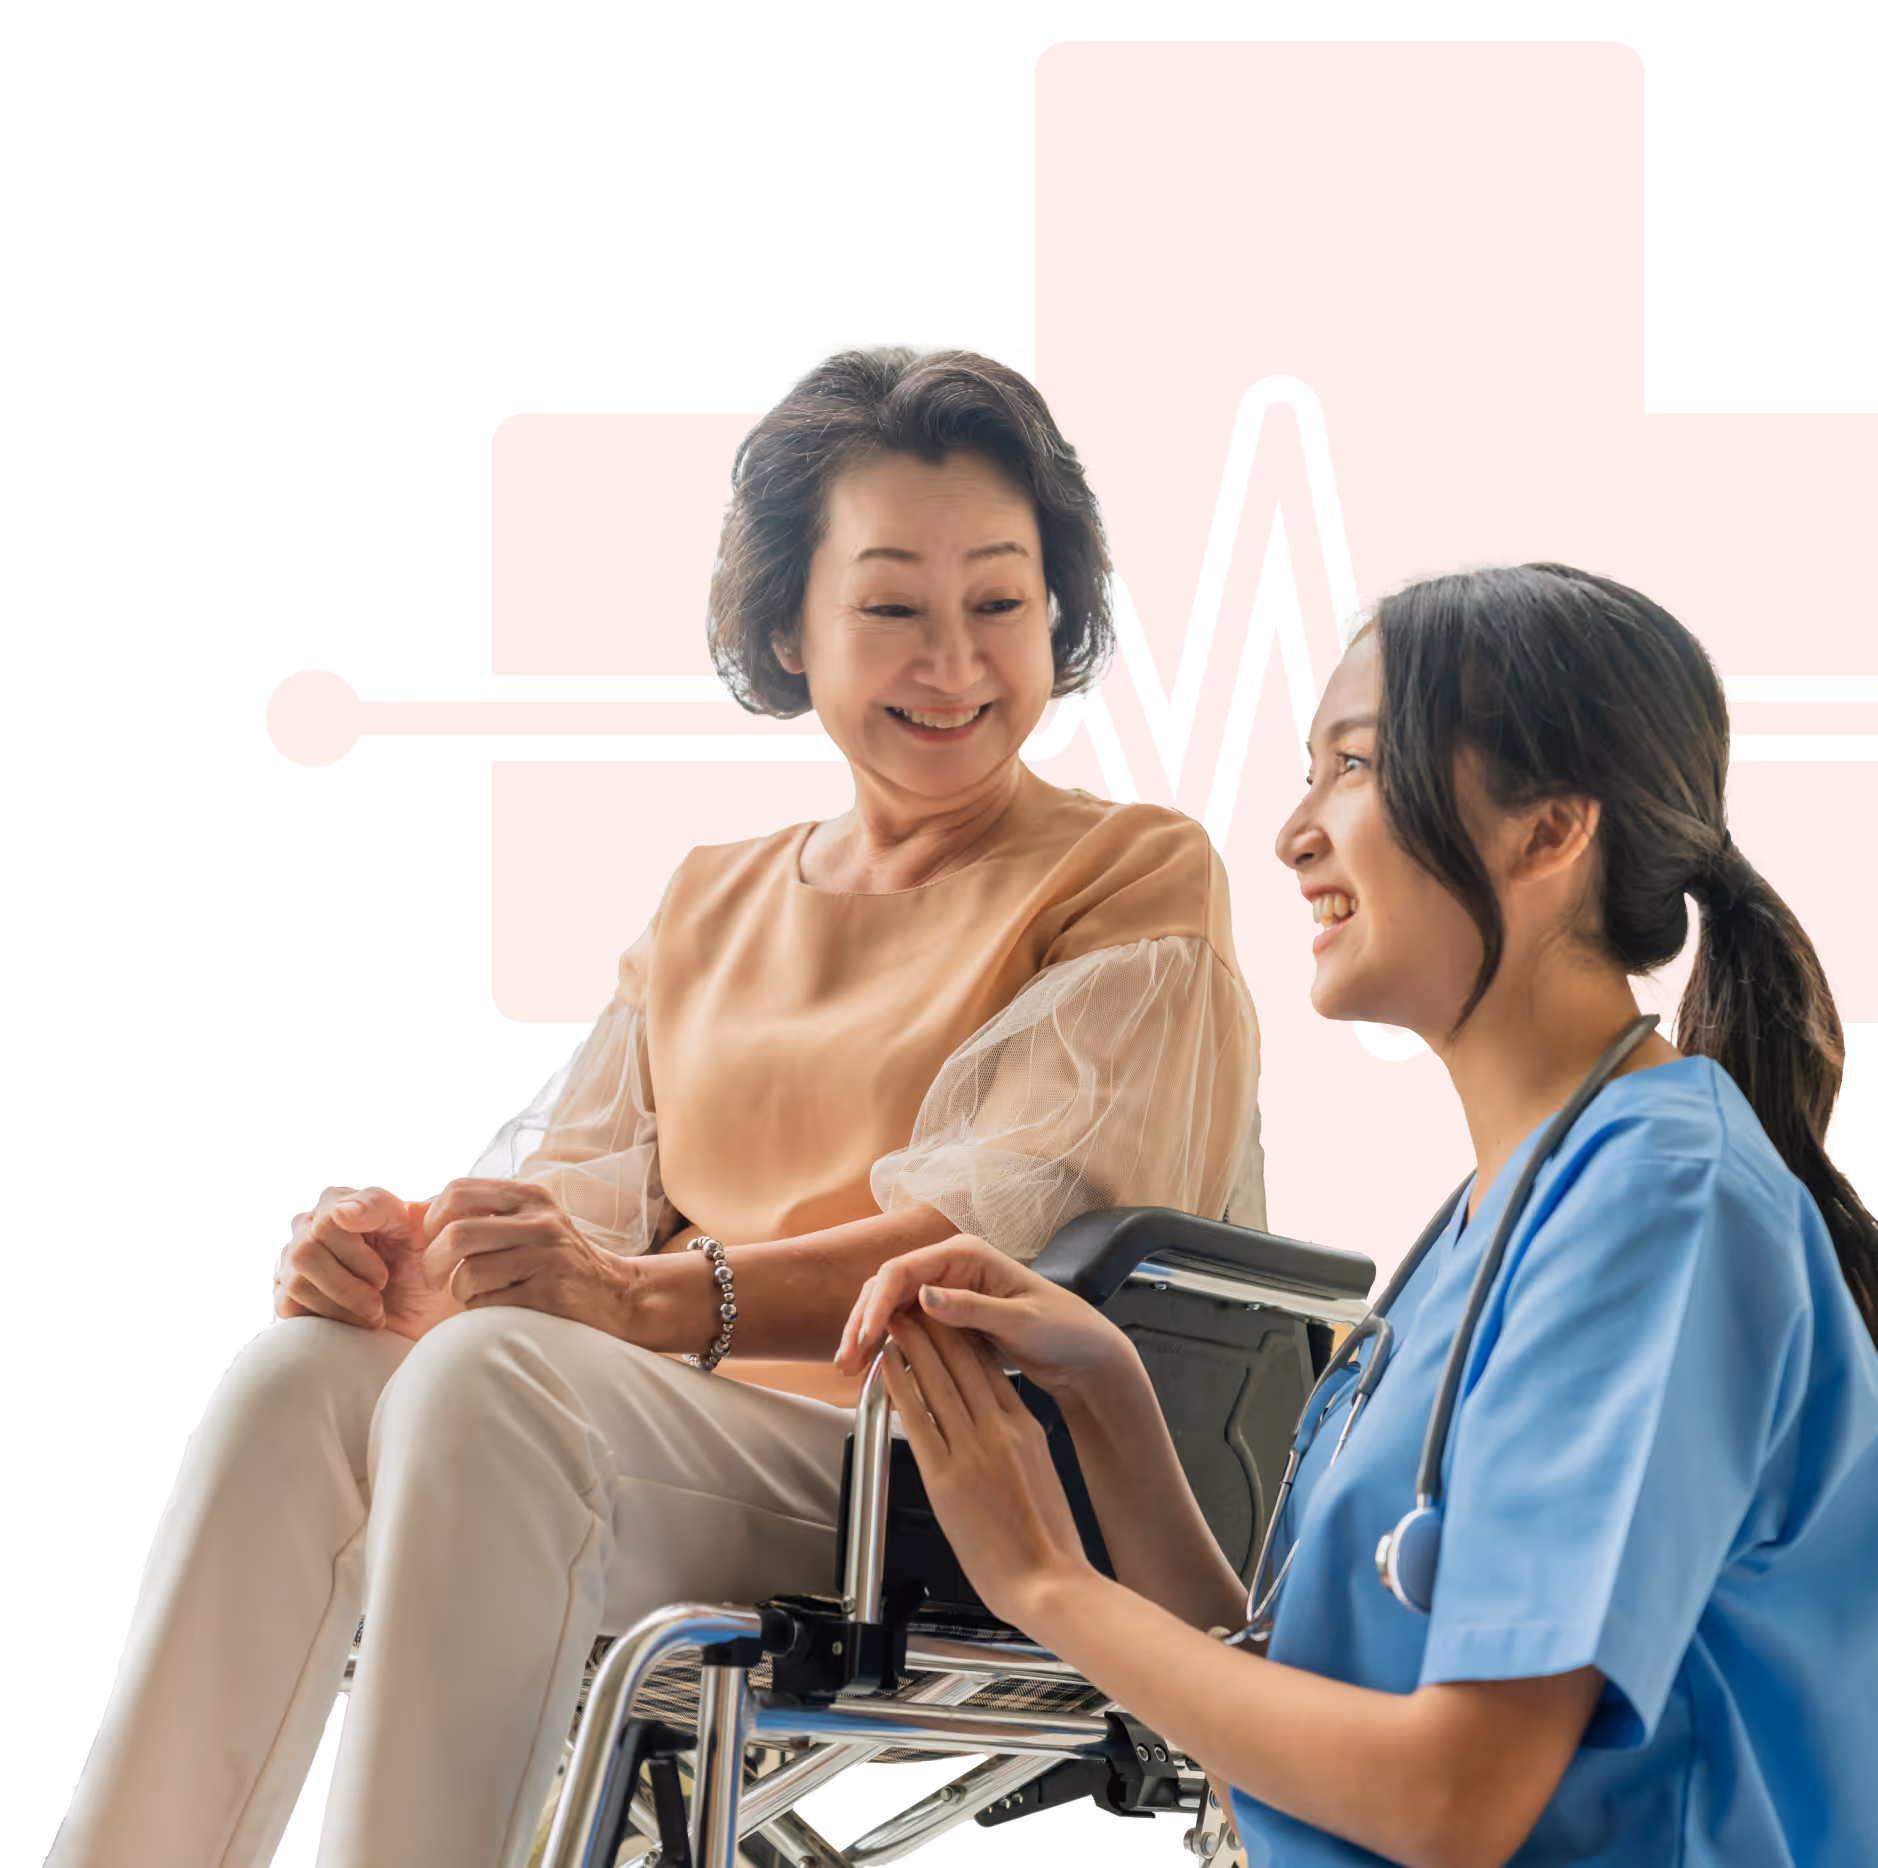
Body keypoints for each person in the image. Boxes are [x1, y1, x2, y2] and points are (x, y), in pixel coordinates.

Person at [49, 340, 1266, 1868]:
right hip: (669, 1427)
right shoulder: (710, 899)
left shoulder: (1130, 873)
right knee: (305, 1374)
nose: (953, 660)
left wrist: (633, 1301)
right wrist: (399, 1259)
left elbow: (988, 1247)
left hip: (938, 1467)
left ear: (1057, 614)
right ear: (789, 627)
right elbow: (560, 1202)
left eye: (999, 602)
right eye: (891, 607)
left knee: (490, 1382)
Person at [837, 559, 1878, 1867]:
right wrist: (1109, 1404)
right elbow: (1287, 1720)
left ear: (1549, 832)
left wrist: (1047, 1584)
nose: (1293, 832)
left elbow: (1452, 1800)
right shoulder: (1492, 1217)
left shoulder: (1659, 1206)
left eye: (1355, 765)